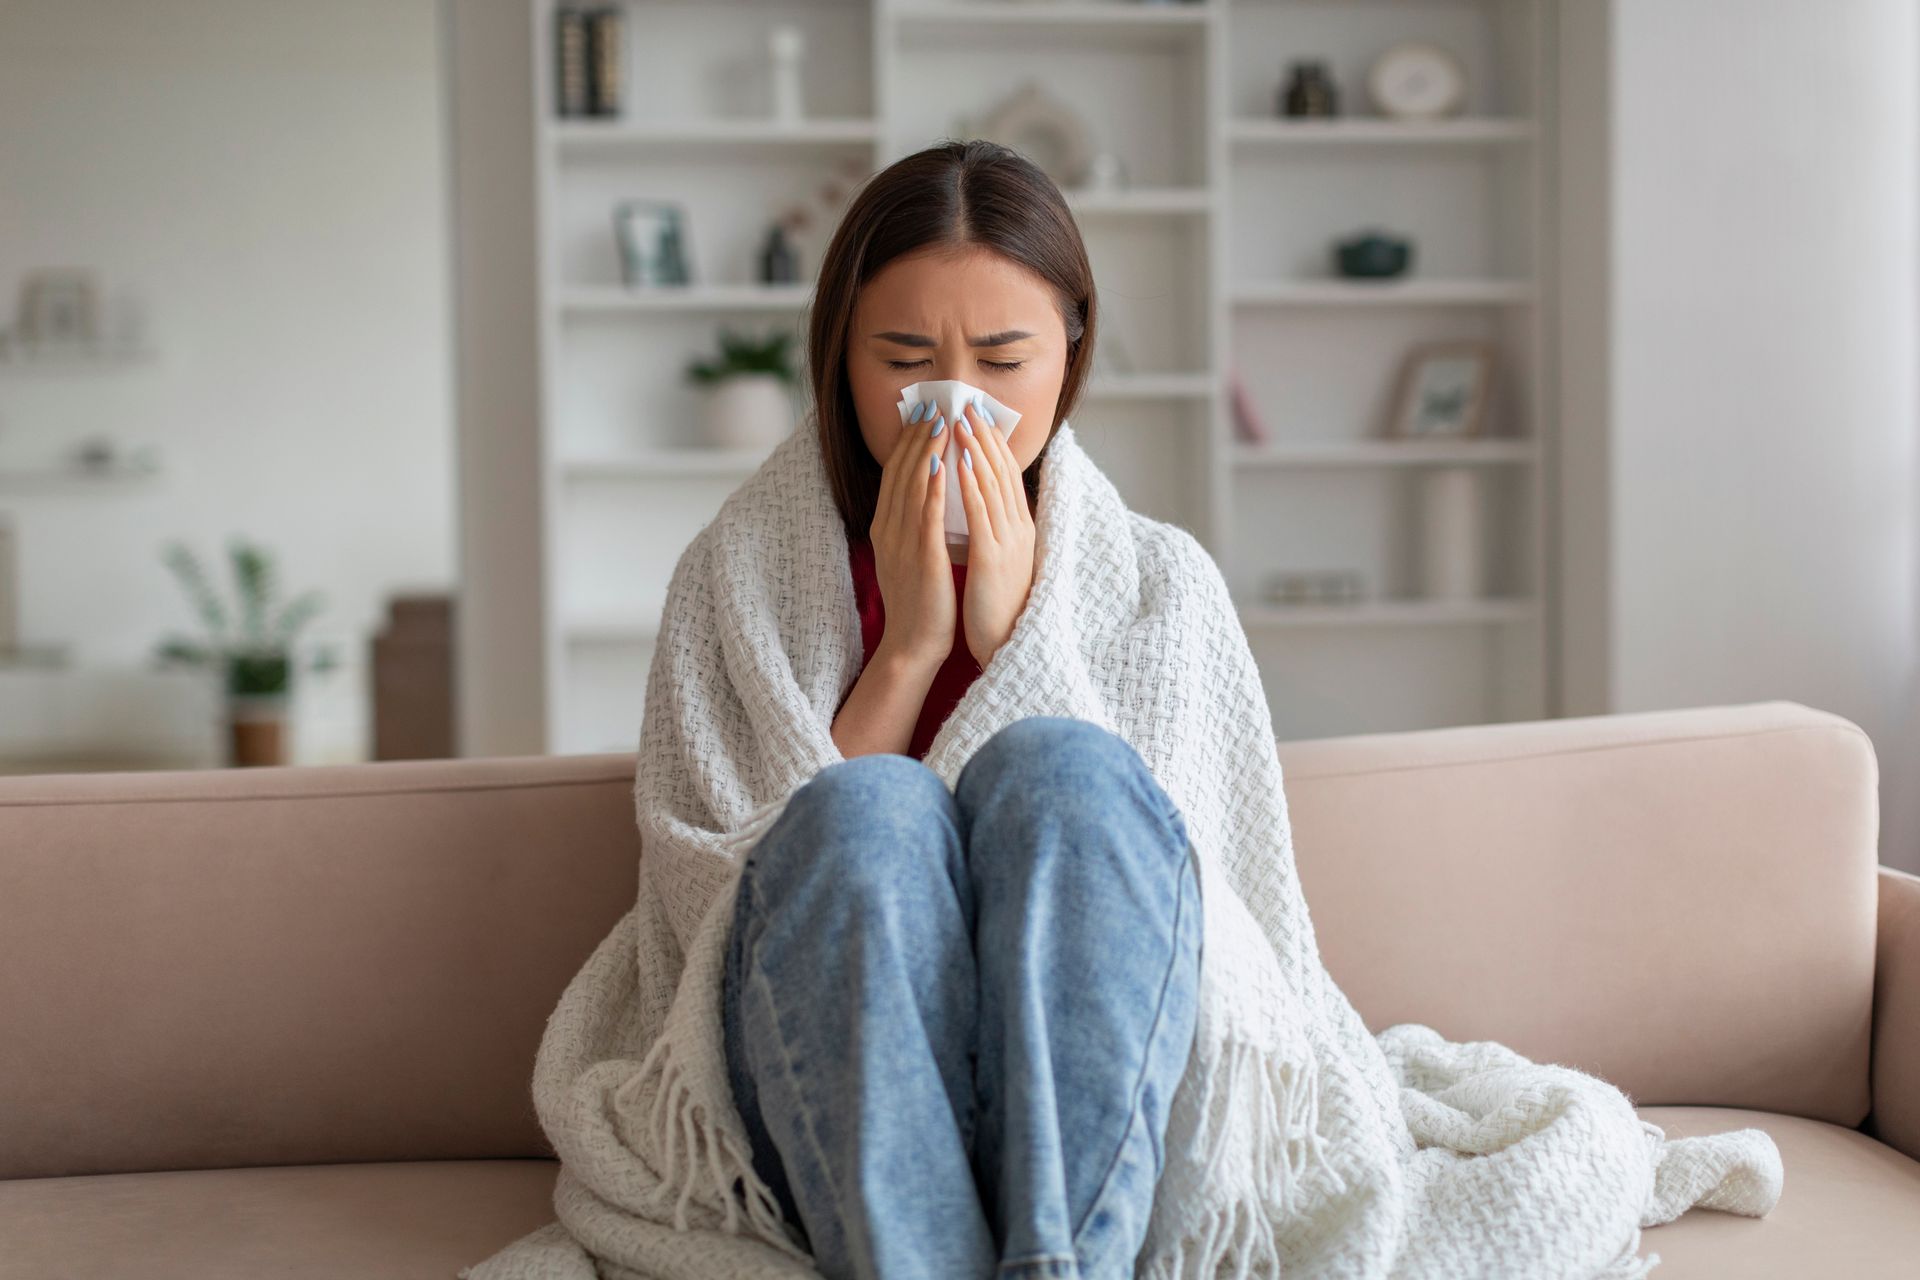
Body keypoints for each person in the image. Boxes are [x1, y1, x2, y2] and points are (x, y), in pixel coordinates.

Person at [719, 139, 1203, 1280]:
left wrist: (1010, 643)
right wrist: (910, 649)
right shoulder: (740, 576)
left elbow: (1176, 892)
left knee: (1068, 769)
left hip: (1092, 1095)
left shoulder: (1157, 585)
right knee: (864, 809)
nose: (955, 402)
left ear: (1069, 355)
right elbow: (734, 894)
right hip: (823, 1085)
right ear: (839, 359)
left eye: (1002, 359)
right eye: (904, 357)